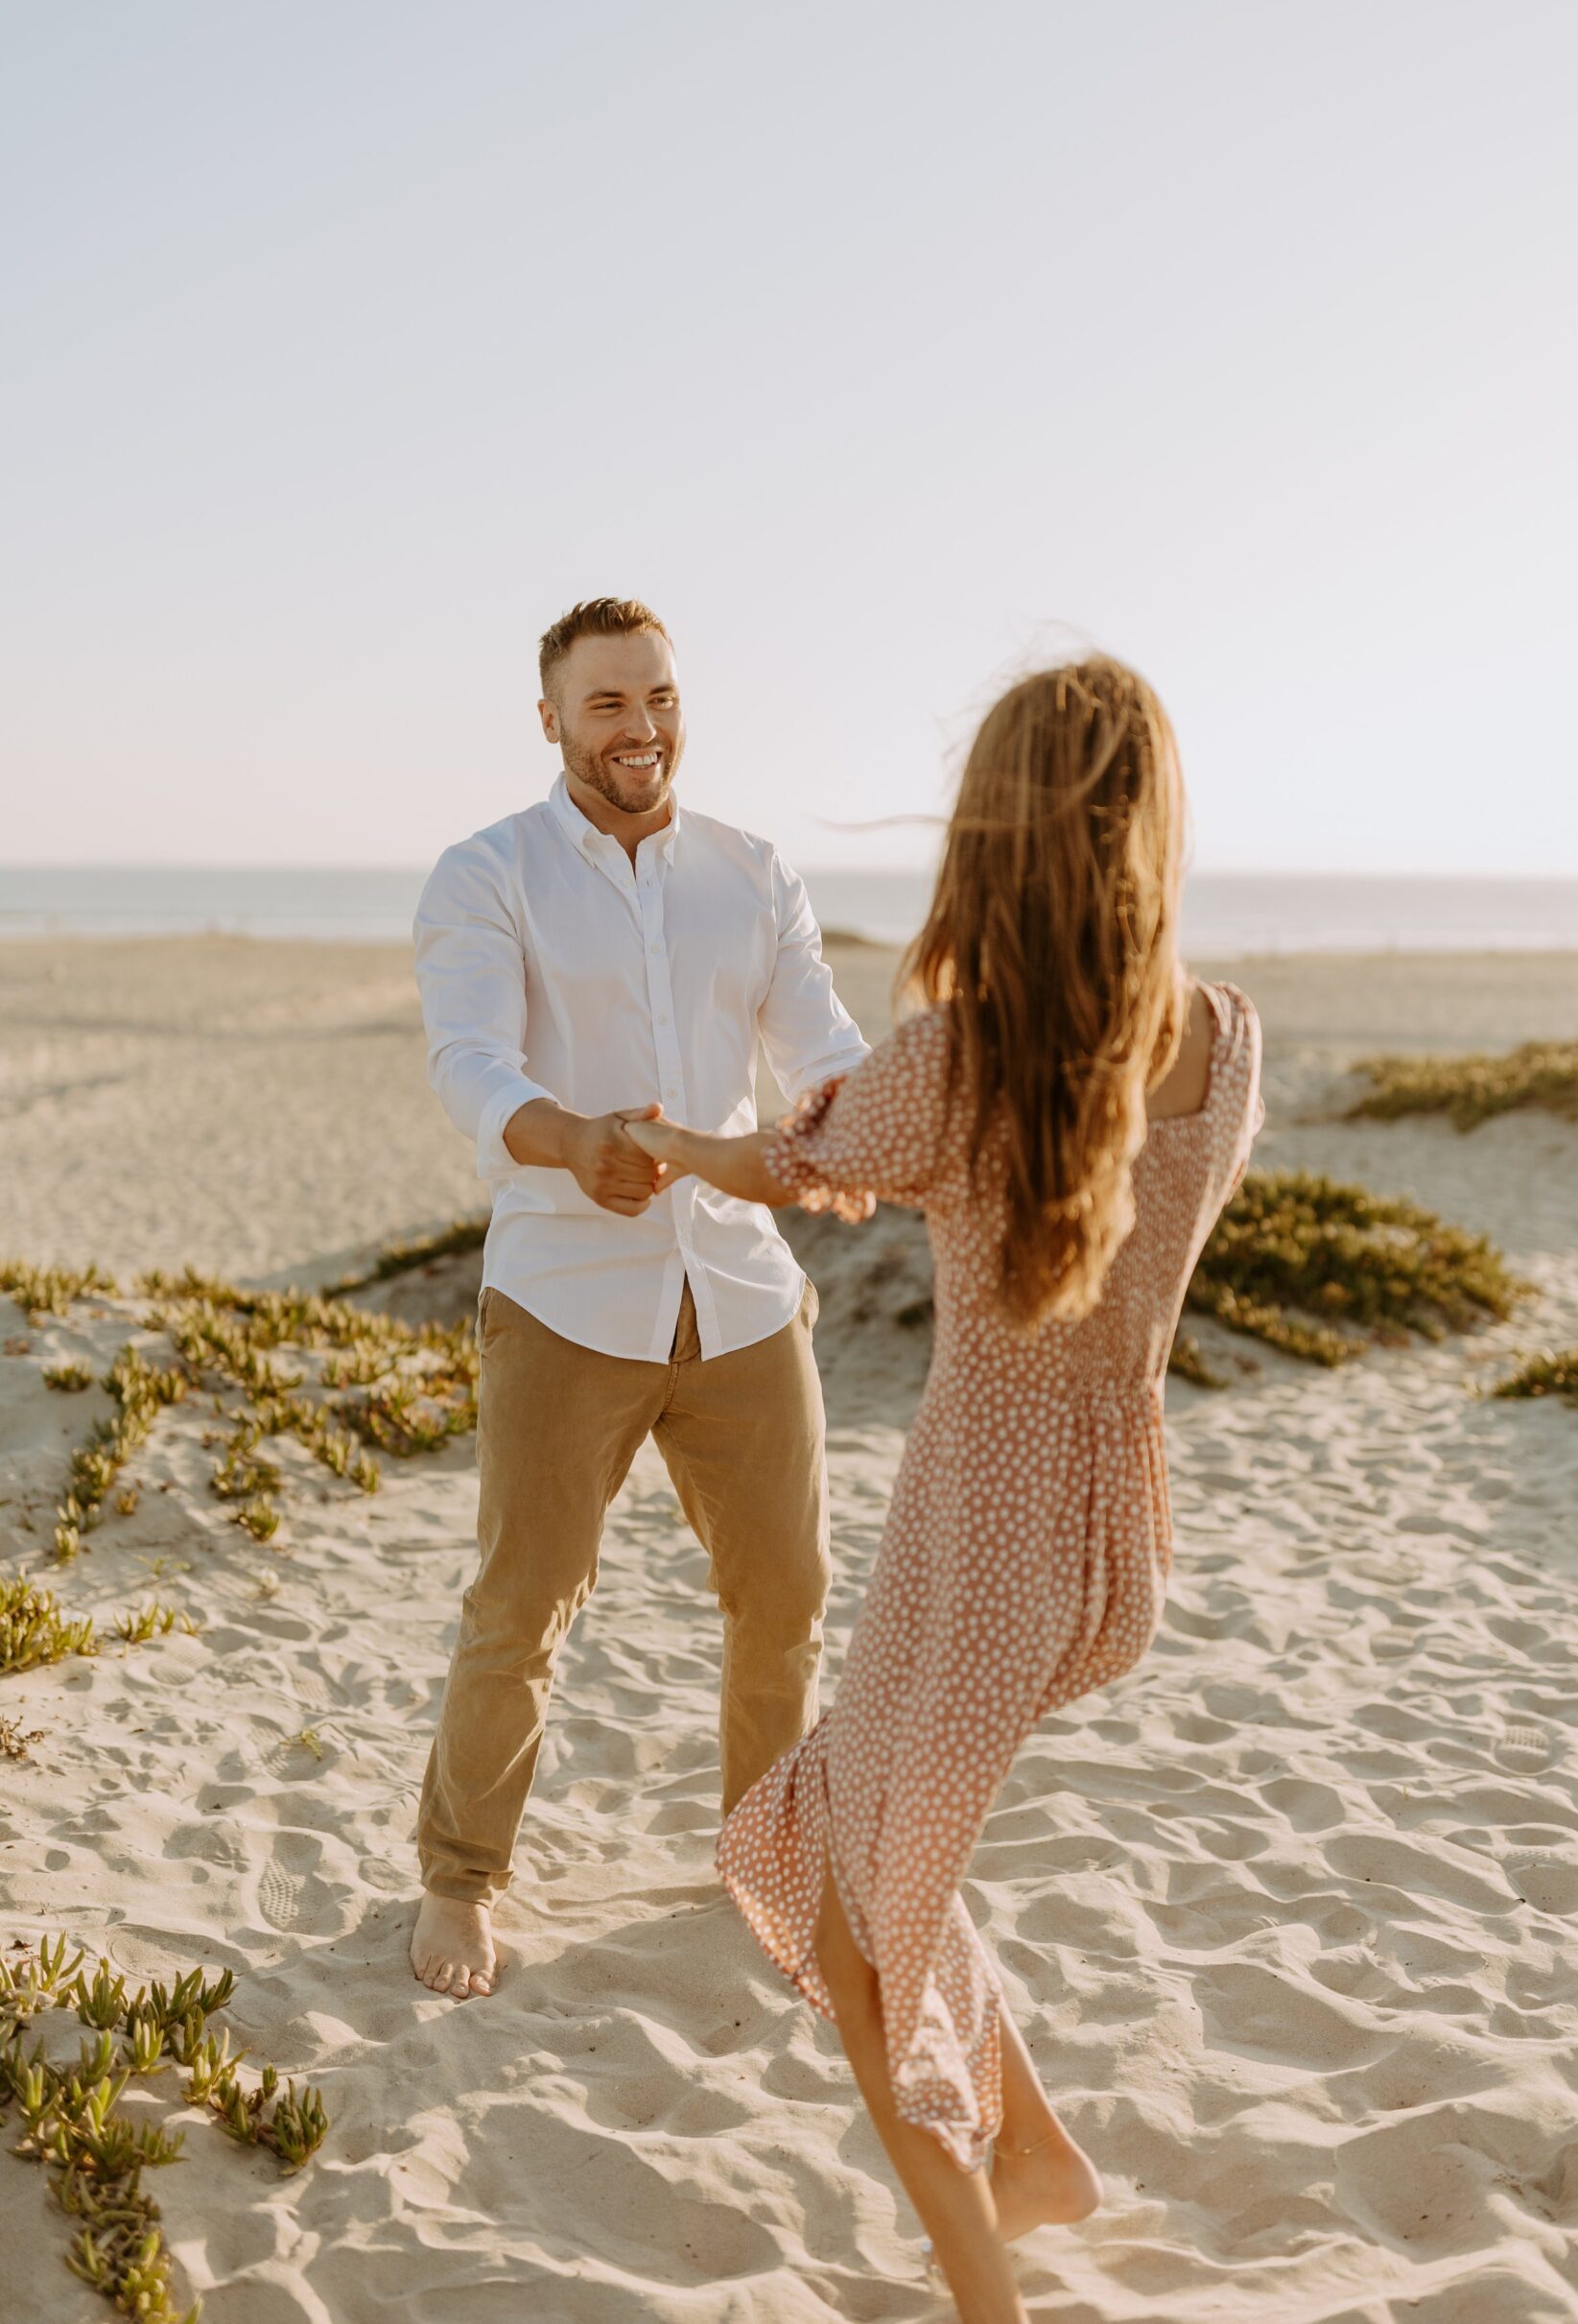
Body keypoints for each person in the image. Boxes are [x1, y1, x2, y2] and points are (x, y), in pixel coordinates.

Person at [624, 655, 1263, 2324]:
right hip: (1117, 1538)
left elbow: (794, 1160)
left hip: (977, 1546)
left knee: (859, 1933)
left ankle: (988, 2292)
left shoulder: (965, 1060)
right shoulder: (1229, 1044)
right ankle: (1038, 2154)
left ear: (1000, 840)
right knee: (853, 1832)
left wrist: (678, 1145)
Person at [409, 596, 869, 2001]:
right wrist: (572, 1141)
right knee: (523, 1605)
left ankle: (768, 1861)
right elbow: (470, 1061)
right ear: (550, 719)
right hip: (564, 1295)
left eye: (658, 697)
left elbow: (827, 1053)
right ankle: (458, 1880)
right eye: (607, 703)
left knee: (785, 1601)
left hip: (740, 1292)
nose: (640, 728)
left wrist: (869, 1126)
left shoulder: (753, 870)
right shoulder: (486, 873)